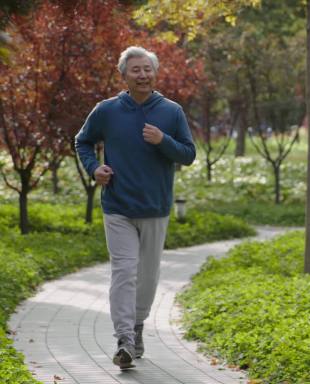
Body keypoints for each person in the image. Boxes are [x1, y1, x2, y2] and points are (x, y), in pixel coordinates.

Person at [75, 46, 195, 369]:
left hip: (155, 206)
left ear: (155, 73)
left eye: (147, 69)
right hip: (117, 206)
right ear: (123, 75)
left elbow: (188, 153)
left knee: (148, 276)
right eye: (135, 70)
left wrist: (163, 141)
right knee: (124, 272)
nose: (142, 75)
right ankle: (125, 339)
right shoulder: (107, 110)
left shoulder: (171, 112)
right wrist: (93, 168)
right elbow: (82, 141)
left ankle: (138, 324)